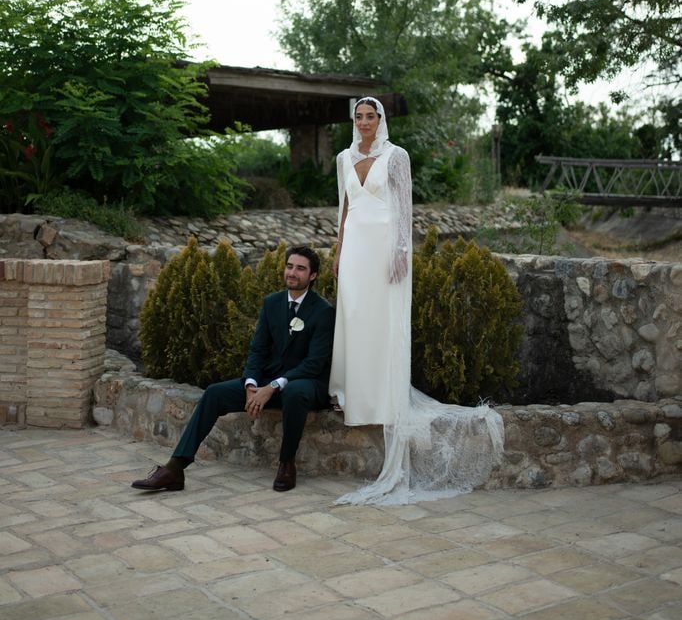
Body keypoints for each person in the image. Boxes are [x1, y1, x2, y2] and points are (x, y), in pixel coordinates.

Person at [329, 96, 504, 505]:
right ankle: (354, 397)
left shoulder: (397, 156)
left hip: (385, 246)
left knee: (382, 320)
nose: (364, 122)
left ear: (380, 120)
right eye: (359, 117)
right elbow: (344, 209)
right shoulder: (343, 158)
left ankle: (383, 397)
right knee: (354, 317)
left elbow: (404, 208)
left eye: (370, 116)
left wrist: (401, 252)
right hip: (354, 248)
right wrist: (338, 252)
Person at [131, 245, 335, 494]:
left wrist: (272, 387)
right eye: (289, 266)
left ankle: (286, 463)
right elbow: (258, 350)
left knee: (294, 392)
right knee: (215, 393)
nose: (292, 272)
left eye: (300, 268)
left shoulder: (324, 311)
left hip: (305, 382)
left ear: (313, 275)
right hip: (268, 382)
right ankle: (175, 468)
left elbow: (314, 363)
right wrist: (251, 385)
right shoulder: (272, 303)